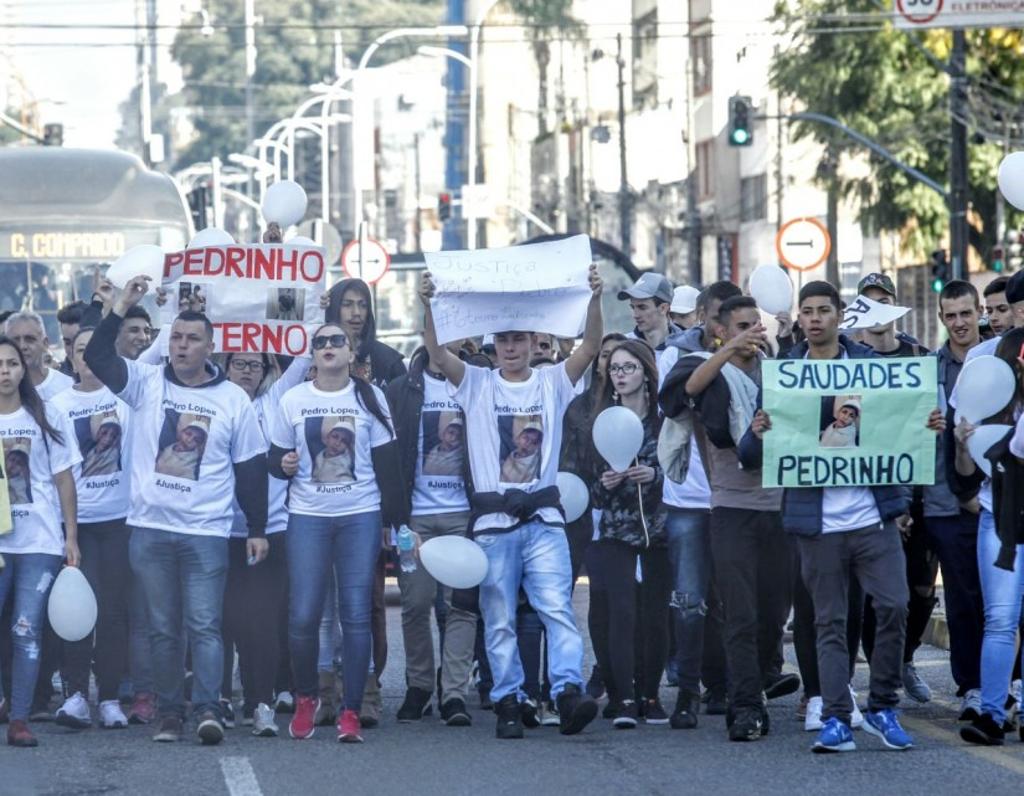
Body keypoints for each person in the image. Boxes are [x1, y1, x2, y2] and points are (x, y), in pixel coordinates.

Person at [740, 280, 945, 754]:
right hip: (819, 525)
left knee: (894, 606)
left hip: (874, 518)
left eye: (823, 310)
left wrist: (929, 426)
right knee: (830, 623)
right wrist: (757, 431)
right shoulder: (784, 373)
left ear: (839, 316)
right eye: (807, 311)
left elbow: (907, 434)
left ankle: (882, 707)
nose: (814, 318)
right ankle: (835, 718)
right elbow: (752, 454)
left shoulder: (871, 368)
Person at [417, 265, 604, 740]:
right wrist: (429, 304)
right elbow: (437, 351)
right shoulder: (476, 383)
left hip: (543, 519)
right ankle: (508, 699)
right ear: (493, 344)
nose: (512, 347)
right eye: (503, 339)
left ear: (532, 339)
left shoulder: (552, 382)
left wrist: (595, 299)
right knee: (497, 617)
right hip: (494, 524)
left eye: (520, 338)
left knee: (556, 607)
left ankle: (566, 691)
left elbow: (590, 348)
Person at [84, 275, 269, 746]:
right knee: (164, 629)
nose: (182, 346)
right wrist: (121, 308)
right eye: (177, 338)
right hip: (148, 530)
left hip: (206, 532)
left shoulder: (232, 401)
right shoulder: (143, 382)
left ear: (211, 346)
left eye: (193, 339)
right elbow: (97, 358)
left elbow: (250, 469)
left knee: (204, 626)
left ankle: (208, 709)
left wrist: (258, 528)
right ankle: (170, 714)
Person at [269, 323, 405, 744]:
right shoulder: (292, 399)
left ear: (350, 353)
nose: (328, 347)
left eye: (336, 342)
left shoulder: (369, 397)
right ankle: (307, 697)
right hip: (307, 517)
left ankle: (350, 710)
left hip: (359, 516)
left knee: (356, 614)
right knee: (304, 614)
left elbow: (388, 466)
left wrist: (394, 525)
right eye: (320, 342)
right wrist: (285, 465)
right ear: (312, 355)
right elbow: (275, 460)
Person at [662, 295, 790, 740]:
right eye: (741, 326)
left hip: (782, 508)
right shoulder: (706, 368)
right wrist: (727, 352)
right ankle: (746, 708)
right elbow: (686, 393)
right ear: (720, 330)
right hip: (732, 508)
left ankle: (763, 682)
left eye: (757, 324)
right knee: (740, 613)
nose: (753, 332)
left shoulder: (783, 371)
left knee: (773, 615)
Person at [324, 277, 407, 725]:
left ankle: (368, 688)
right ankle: (325, 689)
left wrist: (392, 514)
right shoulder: (312, 357)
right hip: (317, 501)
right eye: (346, 304)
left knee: (369, 601)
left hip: (368, 504)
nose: (355, 313)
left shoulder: (389, 363)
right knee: (320, 605)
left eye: (362, 305)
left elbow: (395, 441)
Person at [854, 273, 939, 707]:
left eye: (883, 300)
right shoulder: (850, 359)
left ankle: (905, 659)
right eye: (868, 302)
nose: (877, 309)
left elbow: (926, 431)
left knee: (922, 588)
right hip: (869, 494)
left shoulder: (919, 358)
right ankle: (879, 669)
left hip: (917, 492)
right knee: (877, 592)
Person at [218, 348, 310, 737]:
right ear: (224, 367)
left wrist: (314, 310)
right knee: (219, 621)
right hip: (219, 530)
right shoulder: (215, 401)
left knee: (263, 623)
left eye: (255, 365)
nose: (247, 371)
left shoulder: (277, 401)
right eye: (239, 364)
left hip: (270, 532)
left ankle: (261, 702)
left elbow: (304, 358)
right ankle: (220, 699)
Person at [385, 342, 478, 726]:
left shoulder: (477, 381)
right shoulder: (400, 388)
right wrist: (392, 517)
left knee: (462, 607)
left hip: (465, 515)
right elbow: (388, 454)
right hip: (414, 519)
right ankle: (419, 687)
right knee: (415, 604)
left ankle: (454, 693)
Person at [49, 328, 132, 732]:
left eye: (94, 352)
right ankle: (77, 695)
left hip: (120, 522)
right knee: (77, 612)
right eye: (80, 352)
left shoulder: (126, 398)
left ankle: (111, 698)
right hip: (76, 525)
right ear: (72, 357)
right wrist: (67, 532)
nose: (88, 359)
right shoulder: (57, 405)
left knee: (114, 614)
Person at [0, 335, 80, 747]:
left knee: (25, 629)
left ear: (23, 369)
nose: (5, 372)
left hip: (39, 544)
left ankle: (19, 718)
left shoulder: (45, 417)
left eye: (11, 363)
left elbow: (64, 480)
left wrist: (71, 536)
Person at [585, 340, 669, 728]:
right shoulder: (603, 419)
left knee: (654, 616)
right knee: (619, 613)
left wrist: (654, 475)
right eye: (615, 368)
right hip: (614, 533)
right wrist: (607, 480)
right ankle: (622, 696)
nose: (620, 375)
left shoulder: (663, 420)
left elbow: (681, 470)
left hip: (657, 530)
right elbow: (593, 491)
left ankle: (650, 694)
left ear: (646, 371)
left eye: (629, 367)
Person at [954, 326, 1024, 746]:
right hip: (999, 519)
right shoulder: (990, 405)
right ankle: (992, 715)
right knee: (999, 619)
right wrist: (963, 445)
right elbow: (967, 476)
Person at [921, 280, 987, 719]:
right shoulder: (930, 369)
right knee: (962, 599)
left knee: (1002, 603)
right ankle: (972, 687)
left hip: (998, 501)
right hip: (946, 504)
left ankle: (1010, 685)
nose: (959, 323)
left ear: (979, 311)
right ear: (942, 318)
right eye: (951, 316)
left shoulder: (1002, 358)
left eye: (966, 313)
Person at [4, 312, 73, 400]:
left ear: (45, 343)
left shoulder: (67, 387)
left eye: (29, 339)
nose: (22, 346)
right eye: (15, 340)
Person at [56, 301, 87, 377]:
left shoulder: (116, 374)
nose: (73, 350)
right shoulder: (57, 379)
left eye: (78, 342)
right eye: (68, 343)